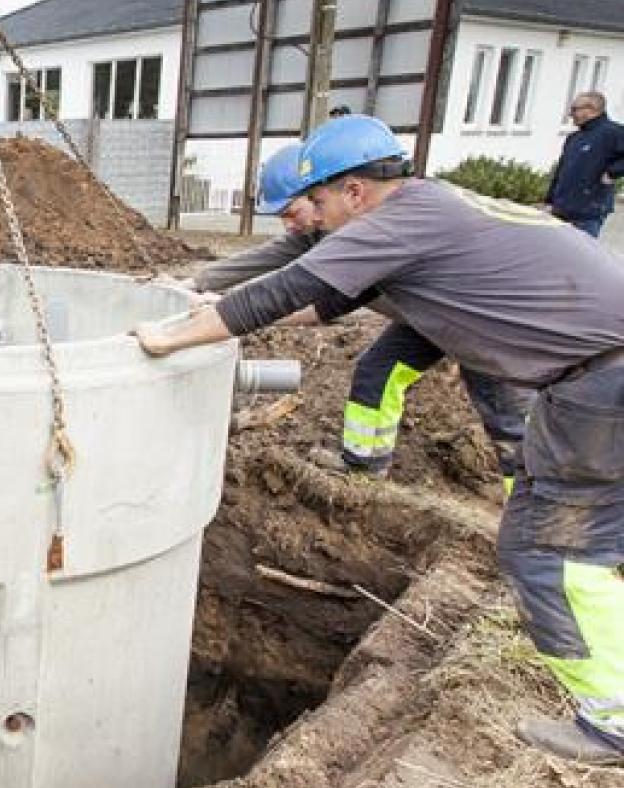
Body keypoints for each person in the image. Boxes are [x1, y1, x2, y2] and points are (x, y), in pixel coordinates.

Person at [135, 115, 624, 765]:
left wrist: (169, 338)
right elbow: (318, 299)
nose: (306, 216)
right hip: (590, 370)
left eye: (315, 201)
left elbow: (294, 286)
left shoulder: (400, 221)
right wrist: (203, 298)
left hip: (598, 380)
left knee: (550, 553)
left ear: (355, 192)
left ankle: (612, 722)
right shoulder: (422, 209)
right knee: (555, 544)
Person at [193, 143, 531, 489]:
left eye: (293, 212)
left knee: (508, 419)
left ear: (323, 193)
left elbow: (327, 303)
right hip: (422, 317)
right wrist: (198, 284)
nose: (289, 225)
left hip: (480, 319)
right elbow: (269, 259)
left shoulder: (374, 232)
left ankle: (531, 520)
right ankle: (364, 469)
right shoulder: (318, 231)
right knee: (378, 371)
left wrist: (233, 315)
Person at [545, 91, 624, 238]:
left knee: (580, 255)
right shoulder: (574, 138)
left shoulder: (613, 133)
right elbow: (561, 170)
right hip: (561, 209)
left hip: (588, 213)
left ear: (592, 110)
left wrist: (613, 172)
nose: (571, 114)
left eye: (575, 109)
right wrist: (549, 200)